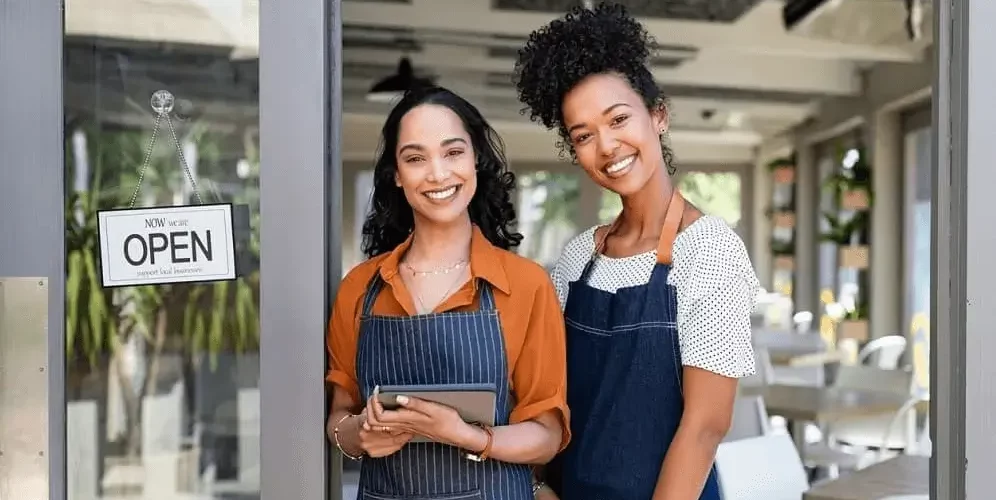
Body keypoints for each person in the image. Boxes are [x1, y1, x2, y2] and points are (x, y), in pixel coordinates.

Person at [513, 3, 760, 499]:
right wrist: (540, 488)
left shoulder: (709, 251)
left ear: (658, 115)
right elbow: (551, 401)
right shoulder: (579, 257)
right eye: (583, 136)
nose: (606, 146)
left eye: (618, 118)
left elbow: (705, 427)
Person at [325, 85, 570, 500]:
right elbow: (338, 418)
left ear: (476, 159)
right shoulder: (360, 288)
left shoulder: (525, 285)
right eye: (416, 158)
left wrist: (467, 436)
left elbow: (546, 435)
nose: (438, 174)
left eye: (453, 152)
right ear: (398, 176)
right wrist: (359, 435)